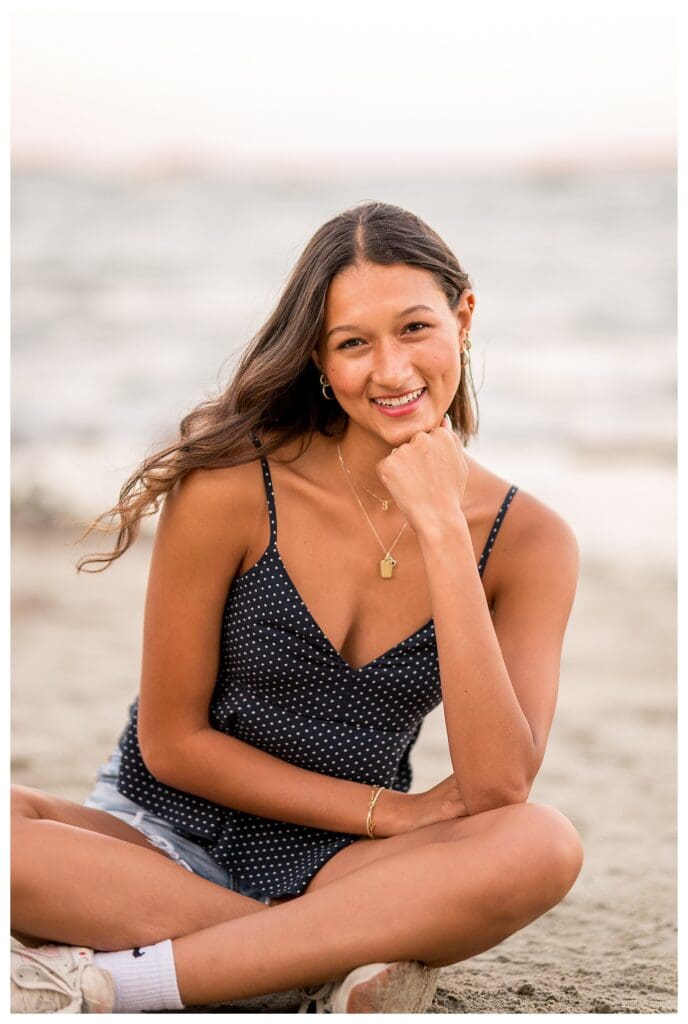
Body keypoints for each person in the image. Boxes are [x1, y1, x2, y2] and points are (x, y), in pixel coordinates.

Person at [10, 201, 583, 1013]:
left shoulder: (532, 542)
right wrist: (393, 813)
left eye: (414, 328)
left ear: (464, 317)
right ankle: (309, 962)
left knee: (542, 845)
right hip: (161, 837)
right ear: (318, 358)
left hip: (347, 867)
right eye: (354, 343)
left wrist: (443, 530)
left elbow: (497, 790)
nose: (390, 371)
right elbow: (171, 744)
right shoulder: (234, 484)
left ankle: (121, 981)